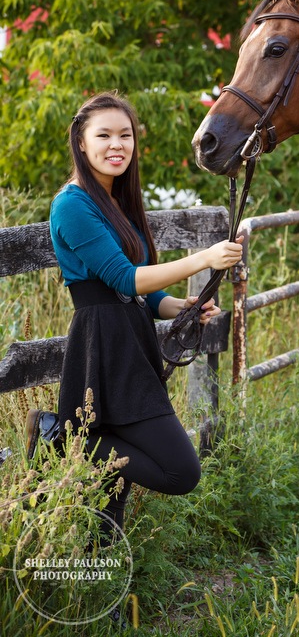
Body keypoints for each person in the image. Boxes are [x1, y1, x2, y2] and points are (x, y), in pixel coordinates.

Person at [27, 91, 243, 541]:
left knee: (112, 487)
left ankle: (104, 584)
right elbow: (125, 280)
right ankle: (60, 437)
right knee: (181, 472)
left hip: (131, 340)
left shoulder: (118, 201)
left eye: (124, 135)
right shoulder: (72, 204)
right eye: (103, 135)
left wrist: (182, 308)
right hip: (104, 347)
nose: (116, 145)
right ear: (81, 143)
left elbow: (145, 296)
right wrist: (205, 258)